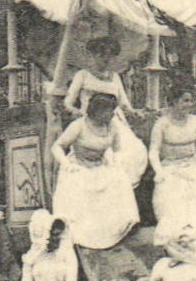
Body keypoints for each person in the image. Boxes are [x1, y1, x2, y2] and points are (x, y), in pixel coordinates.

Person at [51, 93, 140, 250]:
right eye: (109, 111)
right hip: (79, 166)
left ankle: (117, 228)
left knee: (120, 179)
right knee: (77, 183)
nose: (112, 115)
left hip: (100, 166)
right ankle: (81, 234)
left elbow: (117, 150)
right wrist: (66, 164)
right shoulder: (79, 125)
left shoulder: (112, 127)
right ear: (97, 111)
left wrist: (115, 162)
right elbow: (57, 146)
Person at [148, 80, 196, 246]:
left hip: (192, 165)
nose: (189, 105)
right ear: (174, 102)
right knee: (172, 188)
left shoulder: (195, 121)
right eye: (185, 101)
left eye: (190, 101)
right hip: (171, 167)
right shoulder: (162, 123)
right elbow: (154, 152)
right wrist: (159, 171)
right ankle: (180, 229)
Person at [62, 36, 147, 184]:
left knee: (132, 151)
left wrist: (134, 112)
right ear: (92, 55)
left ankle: (118, 188)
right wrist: (76, 112)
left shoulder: (115, 77)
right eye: (101, 54)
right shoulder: (82, 75)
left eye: (109, 55)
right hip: (90, 120)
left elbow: (124, 103)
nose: (105, 59)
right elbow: (68, 102)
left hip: (113, 121)